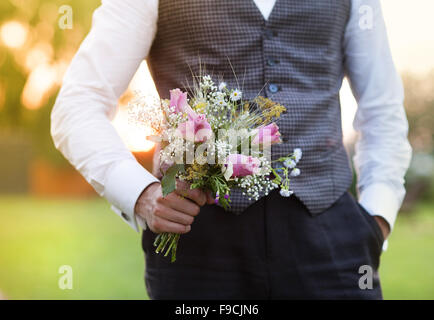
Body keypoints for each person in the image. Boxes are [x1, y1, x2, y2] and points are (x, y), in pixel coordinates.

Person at [51, 0, 412, 299]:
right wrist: (141, 195)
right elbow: (78, 105)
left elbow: (382, 108)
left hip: (333, 238)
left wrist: (376, 218)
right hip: (199, 246)